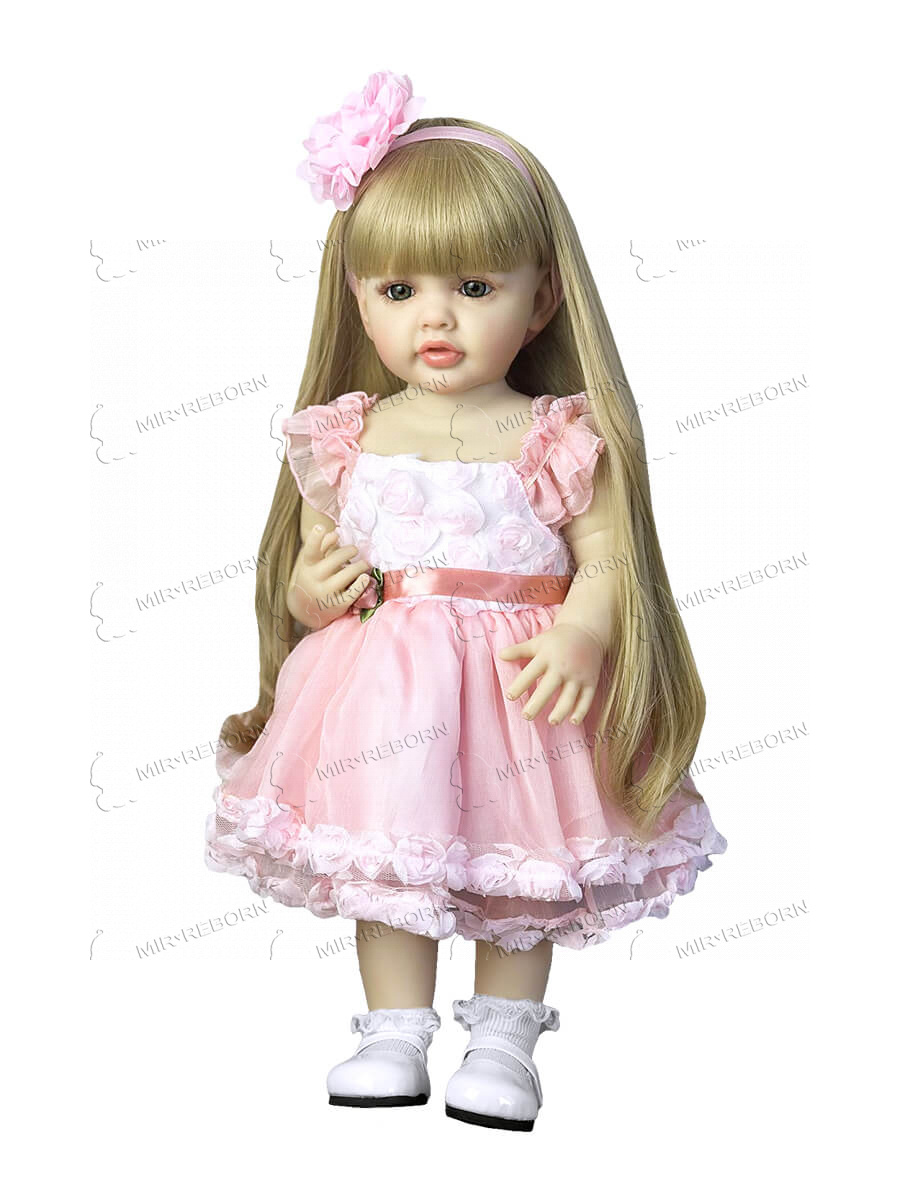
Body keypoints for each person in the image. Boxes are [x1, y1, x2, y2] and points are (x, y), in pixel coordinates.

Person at [205, 70, 727, 1132]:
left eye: (476, 287)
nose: (435, 317)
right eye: (399, 291)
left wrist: (584, 631)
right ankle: (393, 1030)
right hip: (376, 703)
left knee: (518, 857)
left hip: (522, 695)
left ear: (543, 299)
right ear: (357, 296)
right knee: (387, 853)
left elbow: (608, 560)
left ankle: (503, 1038)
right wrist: (311, 589)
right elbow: (317, 563)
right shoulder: (347, 436)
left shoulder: (558, 436)